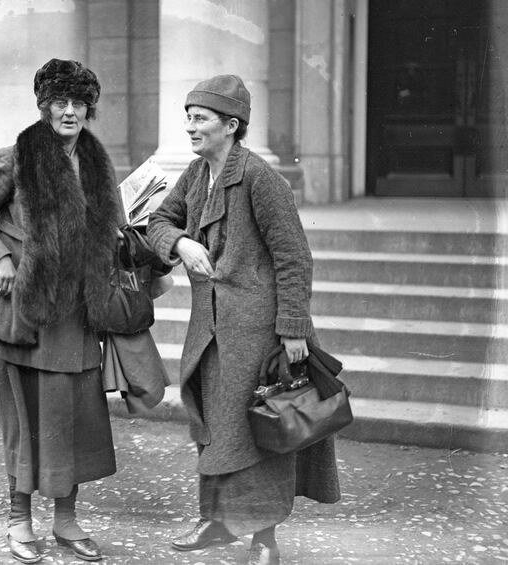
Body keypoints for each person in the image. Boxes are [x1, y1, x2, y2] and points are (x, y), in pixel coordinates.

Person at [146, 75, 341, 565]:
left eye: (201, 118)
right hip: (210, 331)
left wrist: (293, 330)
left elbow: (294, 257)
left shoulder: (260, 177)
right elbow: (156, 222)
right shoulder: (195, 174)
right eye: (188, 116)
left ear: (231, 126)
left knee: (262, 429)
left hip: (259, 331)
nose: (190, 126)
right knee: (215, 425)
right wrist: (181, 243)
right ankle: (216, 521)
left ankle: (264, 540)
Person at [0, 58, 120, 564]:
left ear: (89, 108)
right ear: (45, 107)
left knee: (76, 418)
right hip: (24, 313)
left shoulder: (97, 162)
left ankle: (66, 520)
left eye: (79, 103)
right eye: (60, 102)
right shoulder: (18, 156)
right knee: (25, 419)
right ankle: (18, 519)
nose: (70, 112)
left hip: (77, 314)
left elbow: (110, 226)